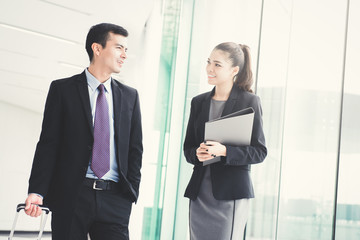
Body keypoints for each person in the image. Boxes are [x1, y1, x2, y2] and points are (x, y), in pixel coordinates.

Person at [24, 23, 143, 240]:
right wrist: (37, 191)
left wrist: (130, 192)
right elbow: (49, 144)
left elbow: (135, 149)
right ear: (97, 49)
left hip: (115, 198)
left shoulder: (130, 97)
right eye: (119, 48)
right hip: (72, 195)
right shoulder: (62, 90)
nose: (125, 55)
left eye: (126, 49)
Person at [183, 42, 267, 239]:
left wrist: (224, 151)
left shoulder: (250, 101)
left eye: (217, 64)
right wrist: (196, 153)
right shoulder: (198, 102)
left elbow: (260, 151)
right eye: (208, 62)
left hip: (231, 195)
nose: (209, 69)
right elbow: (188, 148)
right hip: (200, 193)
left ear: (234, 70)